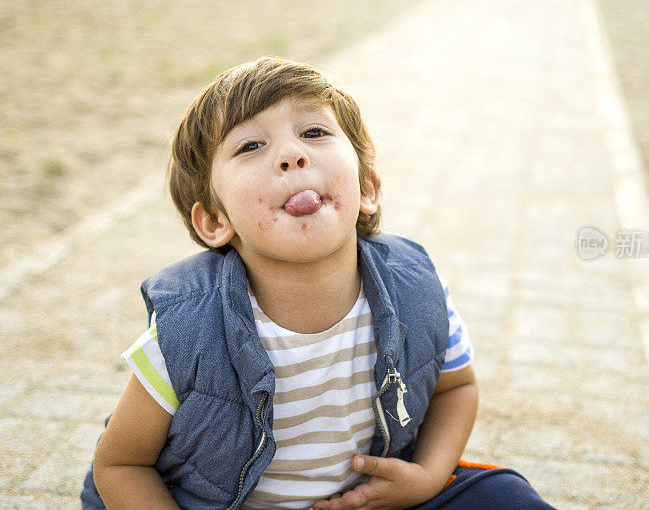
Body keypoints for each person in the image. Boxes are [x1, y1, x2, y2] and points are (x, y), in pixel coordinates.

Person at [80, 56, 555, 509]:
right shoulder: (188, 331)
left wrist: (427, 477)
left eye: (314, 132)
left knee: (507, 499)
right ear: (215, 221)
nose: (291, 155)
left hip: (371, 500)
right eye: (250, 146)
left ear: (366, 188)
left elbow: (457, 388)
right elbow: (121, 464)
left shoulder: (415, 288)